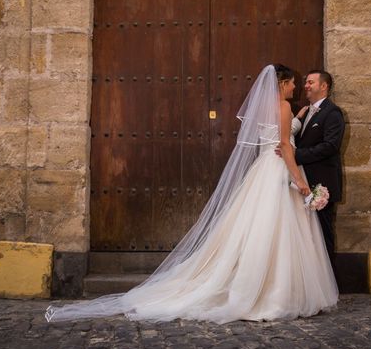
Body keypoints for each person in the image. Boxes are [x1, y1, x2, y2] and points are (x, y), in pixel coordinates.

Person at [45, 64, 338, 324]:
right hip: (278, 172)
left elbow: (276, 138)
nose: (297, 87)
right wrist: (299, 181)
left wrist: (297, 119)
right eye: (292, 83)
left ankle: (257, 286)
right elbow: (286, 147)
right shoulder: (283, 108)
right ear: (281, 84)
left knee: (255, 230)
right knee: (278, 231)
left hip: (262, 170)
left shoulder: (267, 110)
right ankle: (277, 292)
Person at [294, 70, 345, 271]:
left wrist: (296, 155)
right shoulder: (306, 111)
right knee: (307, 235)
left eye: (310, 82)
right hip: (303, 182)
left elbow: (331, 145)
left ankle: (329, 282)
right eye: (306, 82)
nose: (306, 85)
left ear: (324, 86)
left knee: (323, 234)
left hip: (321, 183)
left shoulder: (332, 112)